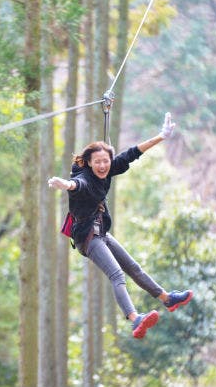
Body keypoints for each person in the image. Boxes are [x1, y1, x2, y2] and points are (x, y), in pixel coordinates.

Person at [48, 112, 193, 339]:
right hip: (88, 237)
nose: (103, 165)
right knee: (117, 275)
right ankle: (135, 319)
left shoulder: (108, 170)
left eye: (106, 161)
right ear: (88, 162)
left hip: (102, 232)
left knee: (134, 267)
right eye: (97, 162)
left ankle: (167, 299)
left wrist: (161, 136)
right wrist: (65, 185)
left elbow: (132, 154)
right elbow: (78, 185)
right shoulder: (84, 177)